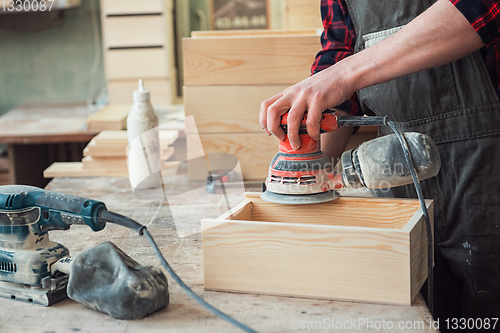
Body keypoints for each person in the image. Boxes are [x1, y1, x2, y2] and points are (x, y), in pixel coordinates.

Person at [259, 0, 500, 330]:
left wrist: (343, 76)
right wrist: (309, 164)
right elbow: (339, 54)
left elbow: (484, 8)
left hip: (488, 163)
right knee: (415, 313)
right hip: (392, 163)